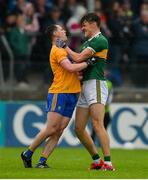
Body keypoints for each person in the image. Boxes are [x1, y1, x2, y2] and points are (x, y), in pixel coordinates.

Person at [21, 24, 98, 168]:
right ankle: (28, 153)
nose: (64, 31)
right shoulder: (57, 50)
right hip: (60, 92)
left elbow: (71, 71)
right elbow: (70, 68)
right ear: (55, 34)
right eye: (61, 29)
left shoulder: (63, 49)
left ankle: (42, 161)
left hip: (72, 93)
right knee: (51, 128)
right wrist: (88, 63)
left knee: (60, 129)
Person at [56, 13, 115, 171]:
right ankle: (97, 161)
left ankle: (108, 163)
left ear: (94, 23)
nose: (82, 28)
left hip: (95, 83)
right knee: (79, 128)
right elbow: (81, 62)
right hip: (85, 86)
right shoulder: (87, 42)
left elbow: (78, 58)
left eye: (84, 24)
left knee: (97, 124)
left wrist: (64, 46)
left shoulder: (100, 40)